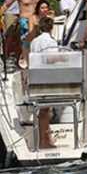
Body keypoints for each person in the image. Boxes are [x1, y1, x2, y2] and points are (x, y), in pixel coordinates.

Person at [1, 0, 45, 67]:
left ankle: (34, 62)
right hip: (24, 20)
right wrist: (0, 13)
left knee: (37, 42)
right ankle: (23, 61)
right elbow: (7, 4)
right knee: (25, 41)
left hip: (36, 20)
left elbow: (43, 6)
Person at [30, 17, 60, 148]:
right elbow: (53, 60)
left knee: (44, 109)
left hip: (36, 77)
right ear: (51, 27)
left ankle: (46, 138)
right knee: (46, 110)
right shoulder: (51, 42)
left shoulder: (34, 42)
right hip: (48, 78)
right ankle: (44, 141)